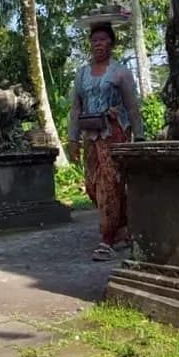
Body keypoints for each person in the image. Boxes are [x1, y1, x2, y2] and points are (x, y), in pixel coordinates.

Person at [67, 24, 143, 261]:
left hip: (115, 134)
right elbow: (76, 107)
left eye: (103, 39)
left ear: (111, 43)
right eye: (95, 40)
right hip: (91, 136)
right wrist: (73, 138)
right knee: (92, 186)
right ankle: (124, 228)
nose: (98, 44)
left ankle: (107, 239)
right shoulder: (82, 74)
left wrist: (139, 136)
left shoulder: (120, 73)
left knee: (111, 185)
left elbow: (132, 106)